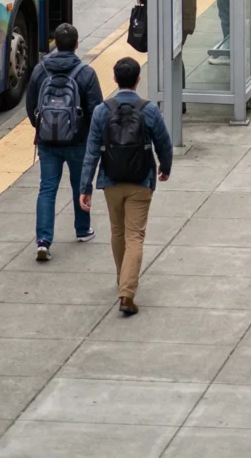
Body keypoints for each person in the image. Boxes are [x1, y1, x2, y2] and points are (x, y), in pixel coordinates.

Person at [79, 56, 172, 316]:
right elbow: (163, 143)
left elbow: (91, 152)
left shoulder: (101, 111)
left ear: (115, 79)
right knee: (135, 236)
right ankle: (127, 293)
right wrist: (165, 168)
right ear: (138, 79)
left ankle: (123, 278)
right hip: (141, 182)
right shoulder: (149, 109)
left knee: (118, 232)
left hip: (111, 180)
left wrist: (85, 187)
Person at [26, 21, 103, 262]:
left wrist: (43, 128)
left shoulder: (40, 70)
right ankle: (82, 230)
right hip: (78, 141)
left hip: (48, 142)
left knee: (47, 188)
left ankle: (43, 240)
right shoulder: (86, 73)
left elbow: (31, 106)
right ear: (77, 45)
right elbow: (97, 110)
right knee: (80, 185)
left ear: (55, 44)